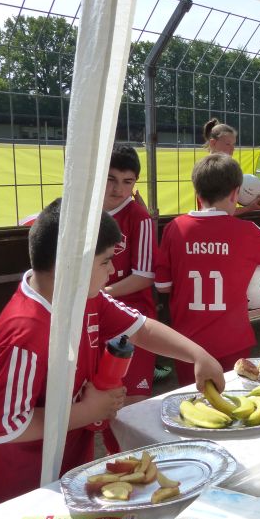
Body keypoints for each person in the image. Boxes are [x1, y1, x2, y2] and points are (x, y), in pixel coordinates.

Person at [0, 199, 224, 512]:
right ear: (71, 265)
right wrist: (88, 411)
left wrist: (197, 354)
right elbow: (5, 427)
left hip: (66, 457)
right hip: (16, 478)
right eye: (105, 262)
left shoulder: (84, 296)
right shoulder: (24, 332)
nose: (113, 270)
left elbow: (140, 329)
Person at [155, 153, 260, 386]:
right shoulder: (247, 231)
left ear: (197, 193)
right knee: (234, 399)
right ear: (236, 193)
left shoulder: (174, 228)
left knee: (193, 400)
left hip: (188, 344)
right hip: (233, 340)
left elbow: (163, 286)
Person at [102, 145, 158, 404]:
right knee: (97, 396)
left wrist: (102, 294)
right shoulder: (83, 213)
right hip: (92, 314)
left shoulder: (139, 217)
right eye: (111, 179)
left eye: (128, 182)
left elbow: (144, 276)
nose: (119, 189)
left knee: (133, 402)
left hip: (131, 317)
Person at [202, 118, 260, 213]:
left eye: (233, 144)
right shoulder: (210, 172)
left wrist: (254, 197)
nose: (233, 149)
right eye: (228, 144)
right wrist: (249, 208)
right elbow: (220, 212)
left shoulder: (224, 168)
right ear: (213, 143)